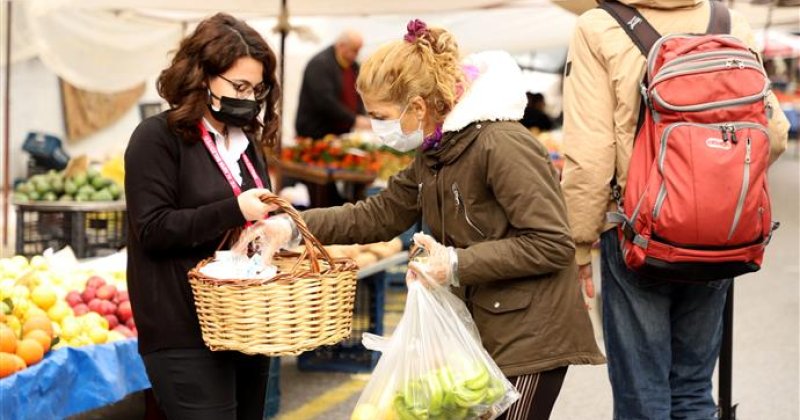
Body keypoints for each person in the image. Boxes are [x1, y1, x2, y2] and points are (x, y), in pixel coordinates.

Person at [260, 19, 605, 420]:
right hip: (484, 327)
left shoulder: (502, 144)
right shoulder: (437, 150)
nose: (377, 127)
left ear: (418, 106)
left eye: (381, 115)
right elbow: (381, 213)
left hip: (531, 335)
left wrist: (456, 263)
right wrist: (293, 227)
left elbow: (551, 243)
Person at [560, 1, 790, 419]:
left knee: (641, 395)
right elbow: (773, 135)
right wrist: (720, 191)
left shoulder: (598, 27)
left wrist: (578, 242)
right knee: (694, 391)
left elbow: (590, 157)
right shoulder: (729, 22)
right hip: (722, 237)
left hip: (637, 233)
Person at [124, 13, 281, 420]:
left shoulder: (247, 144)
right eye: (240, 86)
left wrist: (270, 228)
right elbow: (153, 229)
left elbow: (254, 218)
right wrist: (234, 210)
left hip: (243, 322)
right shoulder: (157, 138)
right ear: (203, 75)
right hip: (181, 329)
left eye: (257, 89)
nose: (249, 97)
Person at [295, 29, 371, 140]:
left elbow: (359, 95)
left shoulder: (354, 67)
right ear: (341, 46)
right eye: (354, 50)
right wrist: (354, 120)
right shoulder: (320, 64)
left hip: (341, 133)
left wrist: (360, 116)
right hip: (316, 133)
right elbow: (325, 101)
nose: (356, 55)